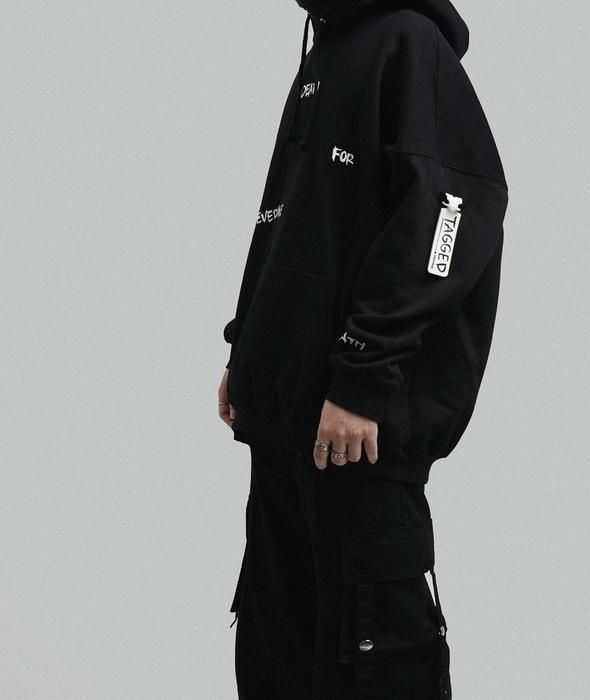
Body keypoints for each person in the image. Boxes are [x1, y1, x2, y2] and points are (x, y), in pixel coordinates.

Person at [217, 0, 508, 697]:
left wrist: (363, 376)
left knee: (377, 666)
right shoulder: (325, 52)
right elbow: (294, 223)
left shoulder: (408, 45)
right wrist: (245, 349)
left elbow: (449, 214)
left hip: (358, 439)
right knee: (278, 662)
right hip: (283, 435)